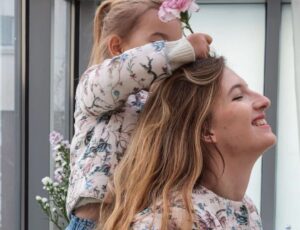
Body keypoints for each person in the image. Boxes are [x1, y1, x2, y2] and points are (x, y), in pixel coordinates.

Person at [65, 0, 212, 228]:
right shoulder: (95, 84)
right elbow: (124, 72)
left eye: (176, 42)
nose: (173, 53)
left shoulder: (161, 100)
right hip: (96, 219)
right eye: (158, 43)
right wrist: (181, 50)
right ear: (117, 48)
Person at [100, 56, 276, 229]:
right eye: (238, 97)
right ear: (205, 129)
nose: (264, 101)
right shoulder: (169, 221)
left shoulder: (247, 210)